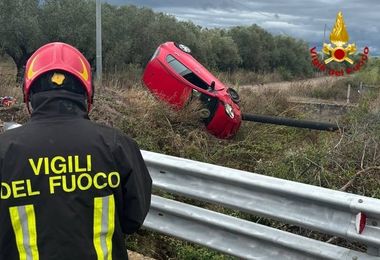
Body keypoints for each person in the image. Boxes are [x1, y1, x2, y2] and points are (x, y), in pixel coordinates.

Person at [0, 42, 152, 259]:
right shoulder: (117, 145)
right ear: (86, 92)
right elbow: (133, 219)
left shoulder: (4, 151)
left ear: (29, 93)